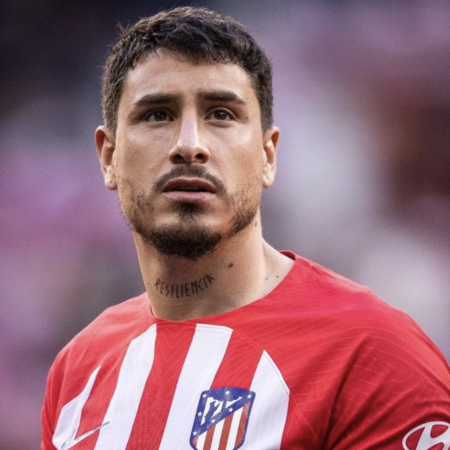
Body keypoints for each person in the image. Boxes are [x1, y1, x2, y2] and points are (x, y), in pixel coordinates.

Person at [41, 6, 450, 450]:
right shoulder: (78, 369)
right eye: (158, 115)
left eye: (221, 113)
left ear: (268, 156)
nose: (189, 145)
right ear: (108, 157)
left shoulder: (372, 354)